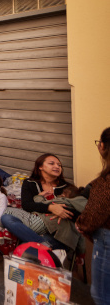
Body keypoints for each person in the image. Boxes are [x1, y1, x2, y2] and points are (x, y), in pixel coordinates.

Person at [1, 154, 77, 251]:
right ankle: (42, 244)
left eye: (59, 165)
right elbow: (27, 205)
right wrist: (50, 208)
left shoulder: (67, 188)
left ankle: (39, 244)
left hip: (56, 232)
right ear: (40, 167)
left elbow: (76, 211)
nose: (57, 167)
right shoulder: (29, 183)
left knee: (26, 248)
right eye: (51, 163)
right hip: (33, 224)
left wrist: (61, 212)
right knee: (6, 217)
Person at [77, 127, 110, 305]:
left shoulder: (105, 182)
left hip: (106, 240)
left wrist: (81, 222)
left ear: (102, 147)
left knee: (102, 295)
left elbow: (93, 217)